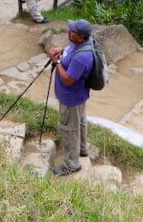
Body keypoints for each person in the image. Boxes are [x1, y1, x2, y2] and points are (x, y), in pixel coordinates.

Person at [49, 19, 95, 176]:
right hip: (79, 96)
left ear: (81, 37)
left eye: (72, 31)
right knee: (80, 122)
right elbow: (71, 50)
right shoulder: (84, 43)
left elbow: (68, 80)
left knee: (69, 129)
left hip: (71, 98)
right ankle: (82, 149)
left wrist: (58, 62)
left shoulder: (82, 57)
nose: (68, 32)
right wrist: (62, 50)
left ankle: (72, 164)